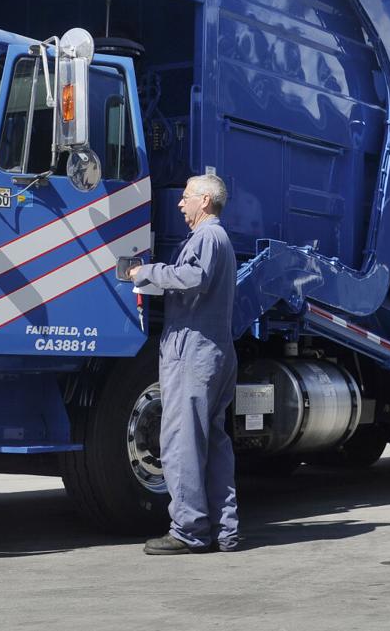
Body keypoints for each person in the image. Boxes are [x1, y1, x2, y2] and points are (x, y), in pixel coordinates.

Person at [129, 173, 239, 554]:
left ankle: (188, 531)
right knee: (214, 444)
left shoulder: (208, 237)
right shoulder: (217, 239)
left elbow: (193, 278)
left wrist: (144, 273)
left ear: (205, 201)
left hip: (193, 353)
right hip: (212, 351)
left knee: (181, 444)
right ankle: (225, 531)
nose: (180, 203)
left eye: (187, 196)